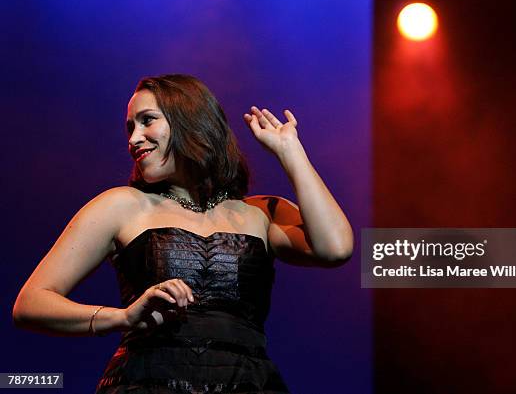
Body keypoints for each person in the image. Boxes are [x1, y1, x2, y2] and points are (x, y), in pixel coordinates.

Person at [12, 74, 353, 393]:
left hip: (247, 382)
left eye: (147, 120)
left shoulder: (260, 212)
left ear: (190, 119)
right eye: (130, 127)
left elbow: (335, 248)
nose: (133, 138)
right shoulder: (121, 205)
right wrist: (123, 318)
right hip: (147, 381)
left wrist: (291, 152)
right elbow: (31, 302)